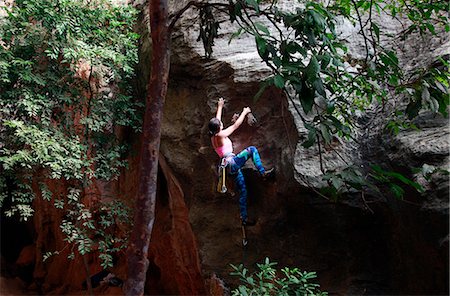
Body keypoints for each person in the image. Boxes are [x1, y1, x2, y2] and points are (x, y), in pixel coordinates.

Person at [208, 97, 274, 226]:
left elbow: (217, 121)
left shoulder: (213, 135)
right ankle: (263, 173)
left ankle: (244, 218)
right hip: (232, 163)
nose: (222, 124)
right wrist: (245, 112)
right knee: (252, 150)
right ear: (219, 128)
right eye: (220, 125)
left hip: (228, 168)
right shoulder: (220, 135)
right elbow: (235, 126)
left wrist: (220, 106)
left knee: (243, 190)